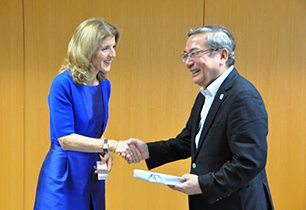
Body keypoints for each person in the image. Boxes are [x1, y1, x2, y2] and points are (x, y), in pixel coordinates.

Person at [124, 25, 274, 210]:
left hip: (237, 204)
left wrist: (204, 184)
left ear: (222, 56)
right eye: (185, 55)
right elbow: (188, 142)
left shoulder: (243, 96)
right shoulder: (206, 94)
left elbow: (250, 161)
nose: (188, 62)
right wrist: (148, 150)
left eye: (194, 54)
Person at [34, 18, 136, 210]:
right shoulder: (62, 84)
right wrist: (112, 145)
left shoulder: (104, 85)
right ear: (88, 50)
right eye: (106, 48)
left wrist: (105, 150)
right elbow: (66, 139)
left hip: (92, 171)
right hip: (64, 174)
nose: (113, 54)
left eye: (113, 47)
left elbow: (93, 130)